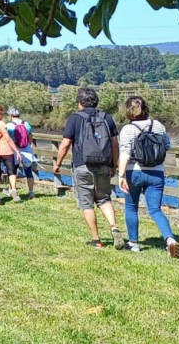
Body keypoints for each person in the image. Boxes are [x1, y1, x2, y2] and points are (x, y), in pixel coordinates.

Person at [53, 88, 124, 249]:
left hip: (82, 165)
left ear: (79, 103)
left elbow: (65, 144)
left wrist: (58, 164)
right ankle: (114, 226)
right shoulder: (106, 117)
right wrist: (114, 164)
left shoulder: (75, 118)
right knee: (104, 198)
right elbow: (114, 144)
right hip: (104, 164)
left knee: (86, 203)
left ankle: (96, 240)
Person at [116, 96, 179, 257]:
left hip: (134, 172)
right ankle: (170, 239)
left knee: (131, 207)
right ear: (145, 108)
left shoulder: (128, 130)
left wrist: (121, 175)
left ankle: (134, 244)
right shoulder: (158, 125)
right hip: (157, 172)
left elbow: (125, 153)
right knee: (155, 209)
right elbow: (167, 146)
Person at [6, 106, 37, 200]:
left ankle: (12, 189)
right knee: (28, 171)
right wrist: (28, 146)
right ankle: (31, 192)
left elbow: (7, 139)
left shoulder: (8, 126)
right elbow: (30, 137)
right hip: (26, 149)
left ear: (10, 115)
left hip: (14, 150)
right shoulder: (26, 124)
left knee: (12, 171)